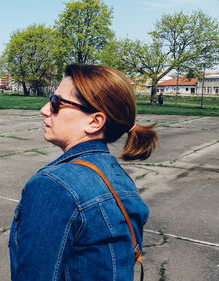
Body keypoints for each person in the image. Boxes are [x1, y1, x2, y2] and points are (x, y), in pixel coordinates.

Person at [9, 64, 159, 281]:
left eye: (56, 102)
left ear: (94, 121)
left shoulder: (54, 186)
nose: (44, 109)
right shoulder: (118, 176)